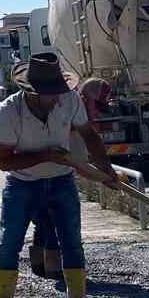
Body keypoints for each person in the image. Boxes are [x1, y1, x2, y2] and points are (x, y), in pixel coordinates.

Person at [0, 54, 118, 298]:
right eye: (52, 93)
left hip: (62, 182)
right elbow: (4, 161)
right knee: (10, 241)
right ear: (32, 93)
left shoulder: (69, 99)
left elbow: (89, 136)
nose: (58, 97)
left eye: (60, 90)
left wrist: (107, 171)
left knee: (71, 240)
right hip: (22, 185)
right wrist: (46, 155)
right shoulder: (9, 112)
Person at [29, 77, 112, 285]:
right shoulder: (65, 117)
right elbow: (81, 166)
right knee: (53, 220)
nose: (97, 113)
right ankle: (55, 272)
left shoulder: (75, 116)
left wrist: (106, 172)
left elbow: (82, 159)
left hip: (49, 173)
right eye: (96, 106)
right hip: (34, 174)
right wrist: (106, 178)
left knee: (45, 220)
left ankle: (40, 267)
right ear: (83, 98)